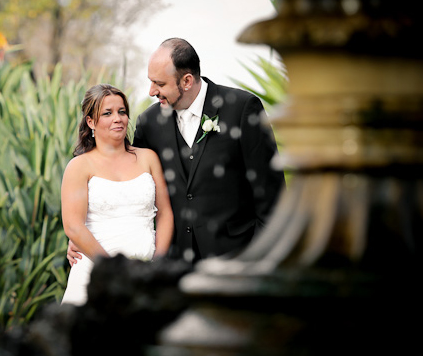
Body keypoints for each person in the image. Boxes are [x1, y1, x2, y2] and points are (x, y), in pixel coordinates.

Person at [68, 38, 284, 266]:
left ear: (187, 81)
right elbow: (127, 180)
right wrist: (81, 237)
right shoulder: (149, 122)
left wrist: (261, 259)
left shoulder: (241, 109)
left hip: (236, 259)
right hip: (174, 266)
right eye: (151, 82)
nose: (152, 91)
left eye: (159, 84)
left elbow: (272, 196)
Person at [60, 84, 174, 306]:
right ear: (91, 122)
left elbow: (165, 214)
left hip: (145, 272)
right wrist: (112, 271)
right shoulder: (79, 166)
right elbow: (73, 226)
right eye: (107, 113)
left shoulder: (147, 158)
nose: (118, 119)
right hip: (95, 274)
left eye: (122, 111)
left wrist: (156, 266)